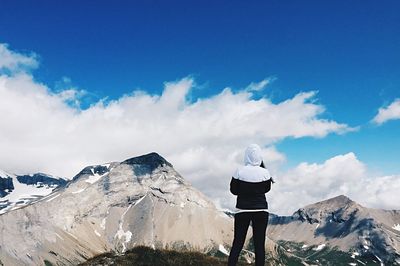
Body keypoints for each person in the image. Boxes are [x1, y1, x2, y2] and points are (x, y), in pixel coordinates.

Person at [228, 144, 274, 266]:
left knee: (237, 243)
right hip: (261, 210)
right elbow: (266, 189)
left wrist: (244, 190)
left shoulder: (239, 171)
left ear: (246, 156)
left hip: (242, 210)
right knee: (259, 245)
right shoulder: (265, 172)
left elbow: (233, 190)